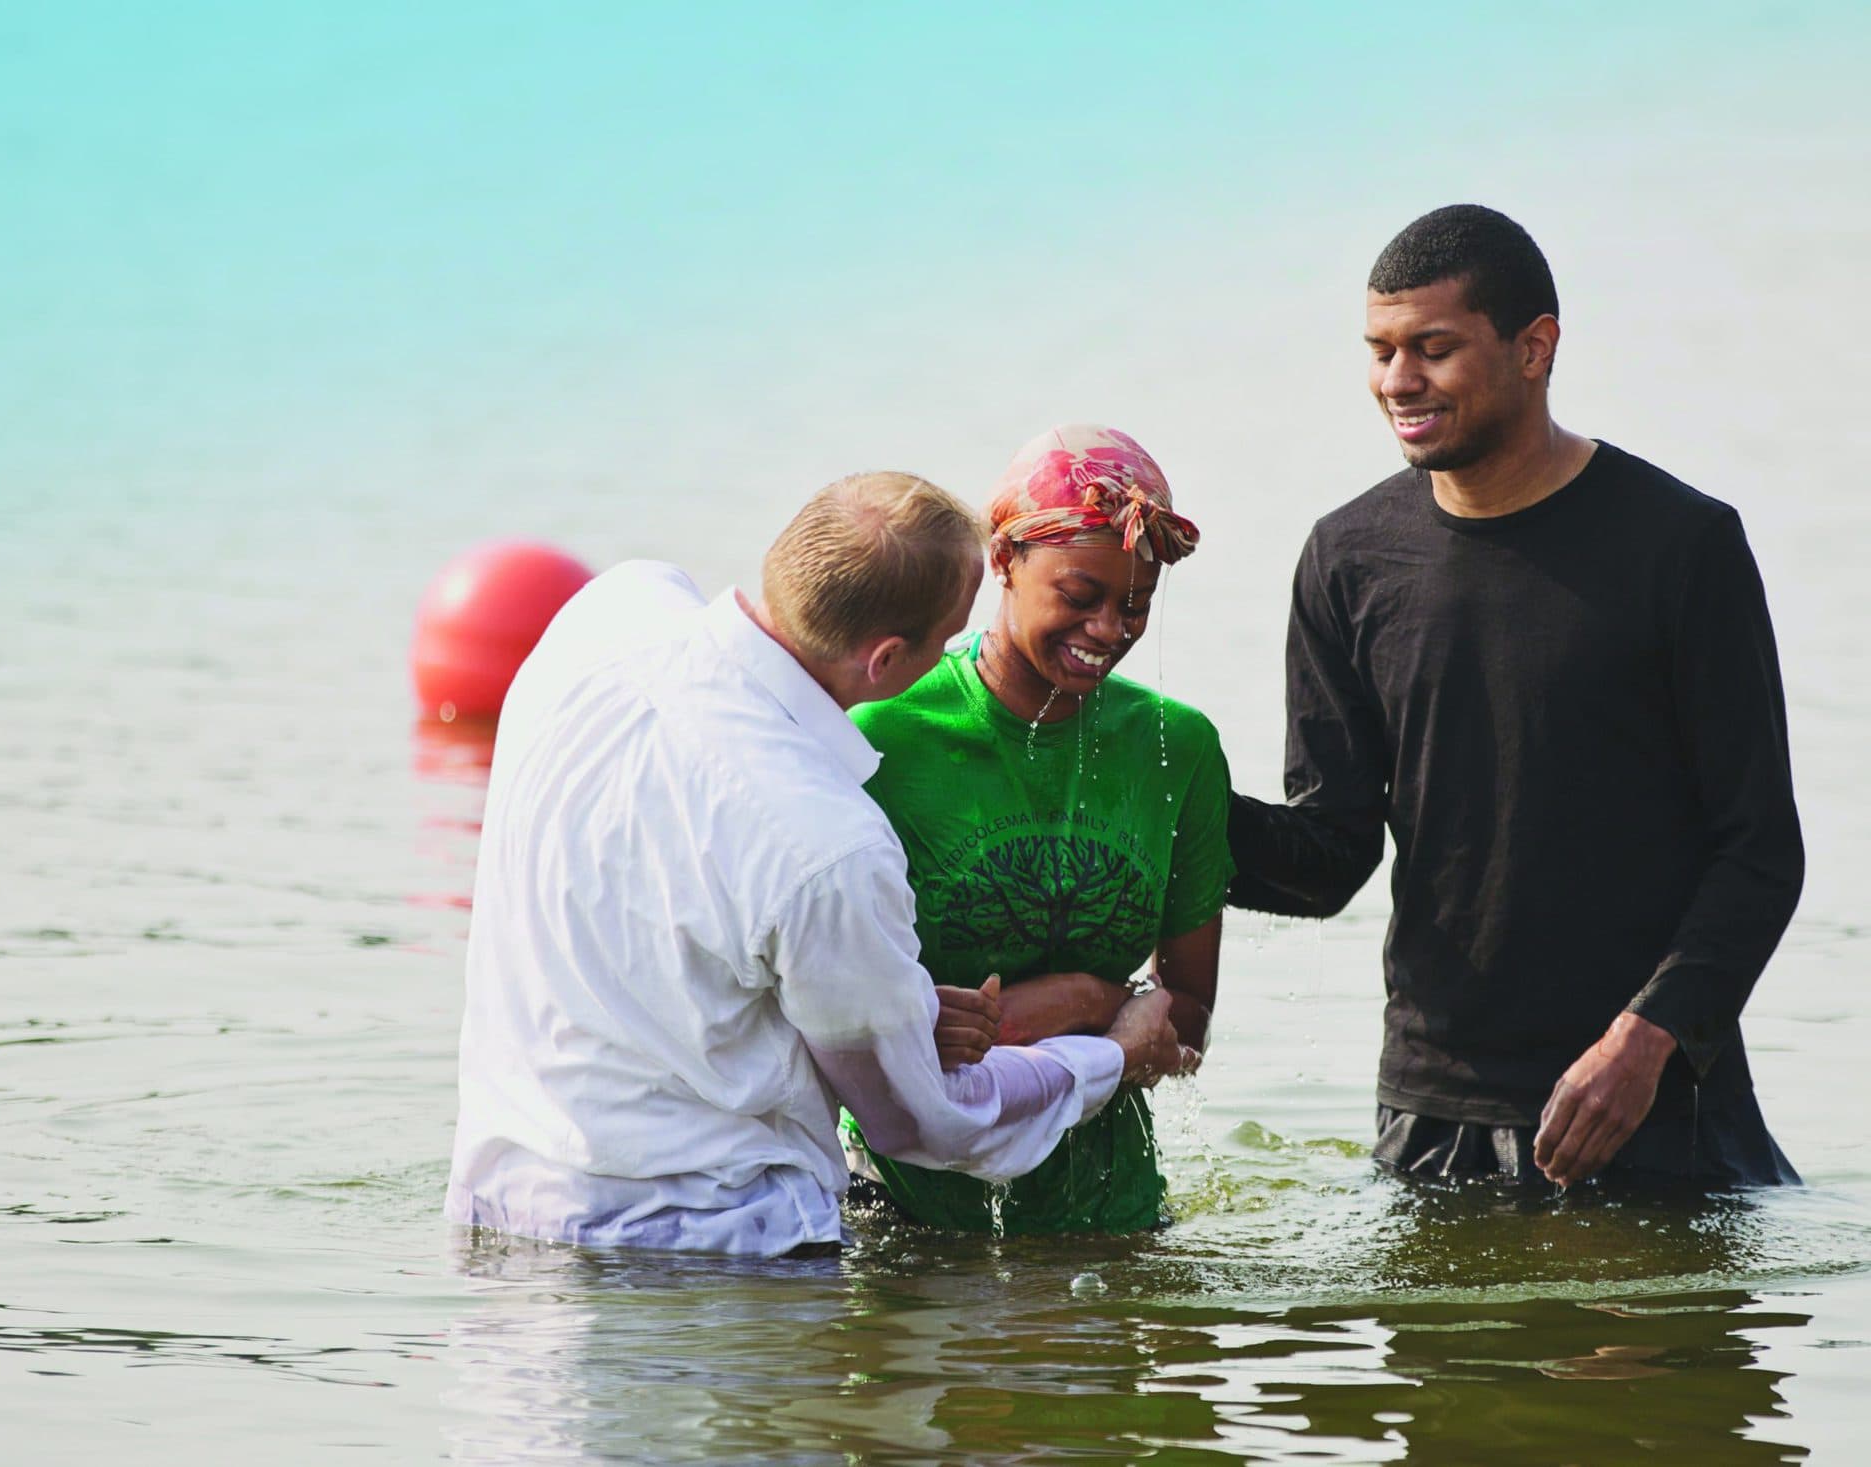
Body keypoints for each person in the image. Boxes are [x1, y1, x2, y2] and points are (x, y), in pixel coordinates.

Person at [445, 472, 1189, 1258]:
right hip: (712, 1259)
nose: (953, 659)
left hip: (501, 1221)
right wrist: (1110, 1055)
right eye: (945, 644)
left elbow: (655, 922)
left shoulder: (608, 611)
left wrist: (894, 1005)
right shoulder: (831, 845)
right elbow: (923, 1122)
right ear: (887, 659)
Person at [1229, 204, 1803, 1188]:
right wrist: (1151, 796)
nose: (1397, 381)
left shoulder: (1681, 546)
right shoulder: (1348, 557)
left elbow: (1758, 848)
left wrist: (1646, 1038)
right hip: (1430, 1113)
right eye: (1378, 351)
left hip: (1648, 1106)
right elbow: (1328, 857)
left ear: (1533, 348)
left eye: (1434, 348)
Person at [843, 425, 1232, 1234]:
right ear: (1004, 560)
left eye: (1136, 605)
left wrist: (1072, 1004)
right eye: (1080, 596)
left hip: (1111, 1217)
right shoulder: (880, 739)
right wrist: (1096, 1004)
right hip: (903, 1215)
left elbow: (1187, 1018)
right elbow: (828, 1020)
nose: (1108, 631)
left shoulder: (1178, 747)